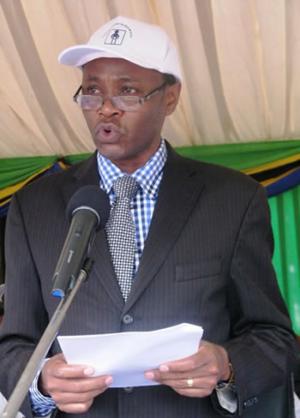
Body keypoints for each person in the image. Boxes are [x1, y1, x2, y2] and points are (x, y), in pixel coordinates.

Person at [0, 15, 297, 418]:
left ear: (169, 97)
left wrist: (226, 364)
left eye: (127, 92)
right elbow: (12, 344)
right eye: (91, 91)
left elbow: (275, 339)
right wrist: (42, 380)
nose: (105, 108)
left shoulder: (232, 199)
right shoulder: (34, 207)